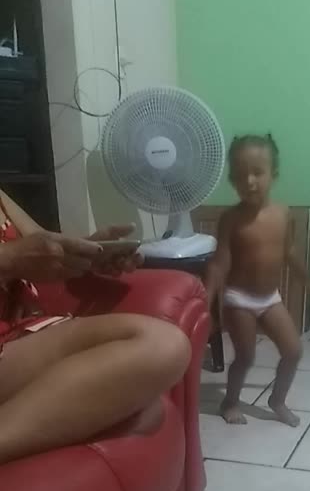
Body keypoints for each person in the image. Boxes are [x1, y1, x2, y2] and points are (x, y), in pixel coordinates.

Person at [0, 188, 190, 465]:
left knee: (148, 411)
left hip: (20, 331)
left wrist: (89, 252)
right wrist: (10, 259)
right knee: (162, 345)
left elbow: (43, 245)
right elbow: (19, 255)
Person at [205, 133, 310, 427]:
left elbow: (288, 250)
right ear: (232, 180)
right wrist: (207, 297)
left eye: (257, 172)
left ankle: (277, 400)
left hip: (269, 297)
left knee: (293, 351)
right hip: (239, 299)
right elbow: (220, 261)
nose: (249, 181)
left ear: (273, 174)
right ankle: (230, 401)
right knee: (246, 356)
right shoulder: (230, 219)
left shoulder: (283, 213)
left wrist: (306, 278)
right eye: (241, 175)